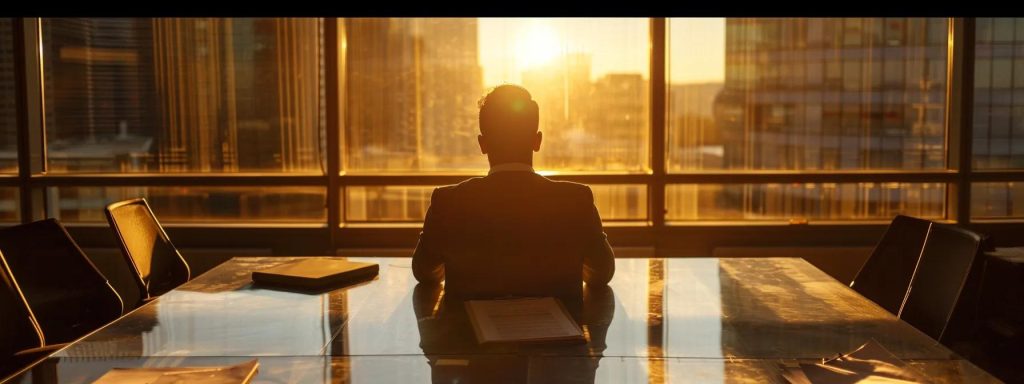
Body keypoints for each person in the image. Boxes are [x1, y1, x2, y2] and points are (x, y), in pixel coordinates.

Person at [411, 84, 614, 299]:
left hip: (469, 330)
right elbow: (601, 273)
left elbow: (424, 272)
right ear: (537, 141)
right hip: (558, 331)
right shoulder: (576, 200)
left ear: (483, 144)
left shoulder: (448, 201)